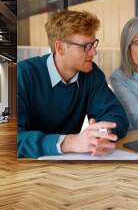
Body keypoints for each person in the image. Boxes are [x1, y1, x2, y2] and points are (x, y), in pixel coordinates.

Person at [17, 10, 129, 158]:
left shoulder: (91, 74)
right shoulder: (23, 74)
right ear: (60, 47)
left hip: (71, 167)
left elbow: (116, 115)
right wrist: (69, 143)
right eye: (86, 46)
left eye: (93, 44)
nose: (93, 52)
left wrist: (102, 134)